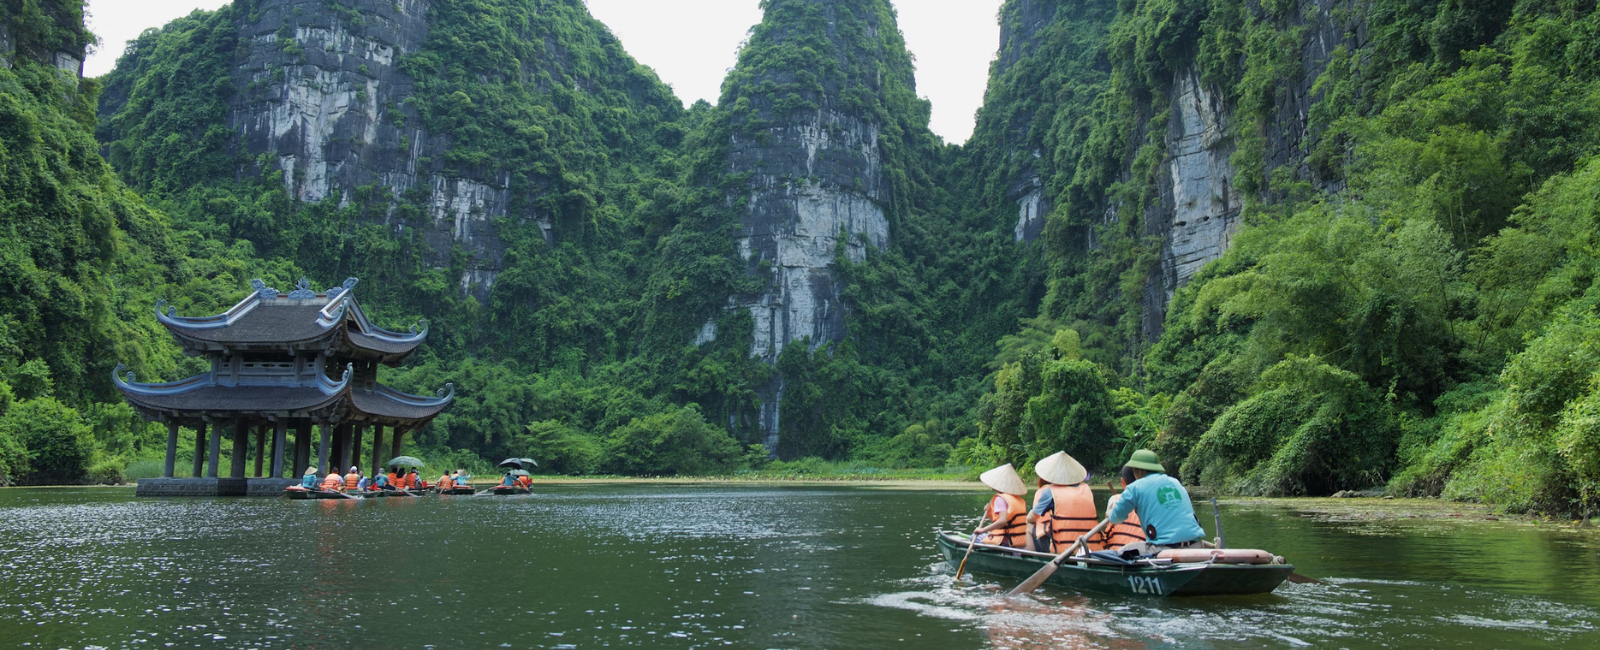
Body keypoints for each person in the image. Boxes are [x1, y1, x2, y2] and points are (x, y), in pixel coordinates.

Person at [1102, 449, 1209, 556]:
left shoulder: (1134, 488)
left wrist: (1109, 515)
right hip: (1196, 545)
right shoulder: (1175, 482)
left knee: (1120, 553)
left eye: (1134, 470)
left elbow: (1116, 518)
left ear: (1139, 471)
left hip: (1163, 549)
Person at [1027, 452, 1098, 553]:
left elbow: (1031, 517)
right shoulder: (1086, 489)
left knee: (1029, 524)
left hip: (1063, 548)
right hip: (1088, 546)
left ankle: (1030, 559)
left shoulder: (1049, 491)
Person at [973, 463, 1030, 550]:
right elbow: (1004, 523)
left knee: (973, 536)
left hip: (1004, 542)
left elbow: (1002, 521)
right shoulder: (1019, 499)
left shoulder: (1000, 499)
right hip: (1019, 542)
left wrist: (982, 530)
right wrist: (989, 514)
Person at [1100, 466, 1148, 549]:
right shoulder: (1150, 503)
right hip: (1141, 555)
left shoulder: (1114, 500)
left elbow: (1108, 525)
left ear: (1122, 482)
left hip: (1115, 554)